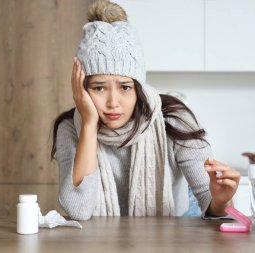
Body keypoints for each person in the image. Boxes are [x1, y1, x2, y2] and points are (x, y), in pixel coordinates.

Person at [51, 0, 240, 221]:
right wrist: (89, 125)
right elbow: (78, 210)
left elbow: (213, 203)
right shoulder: (70, 127)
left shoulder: (175, 119)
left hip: (171, 237)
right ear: (81, 88)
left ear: (138, 88)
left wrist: (221, 201)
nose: (113, 102)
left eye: (125, 87)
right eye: (99, 87)